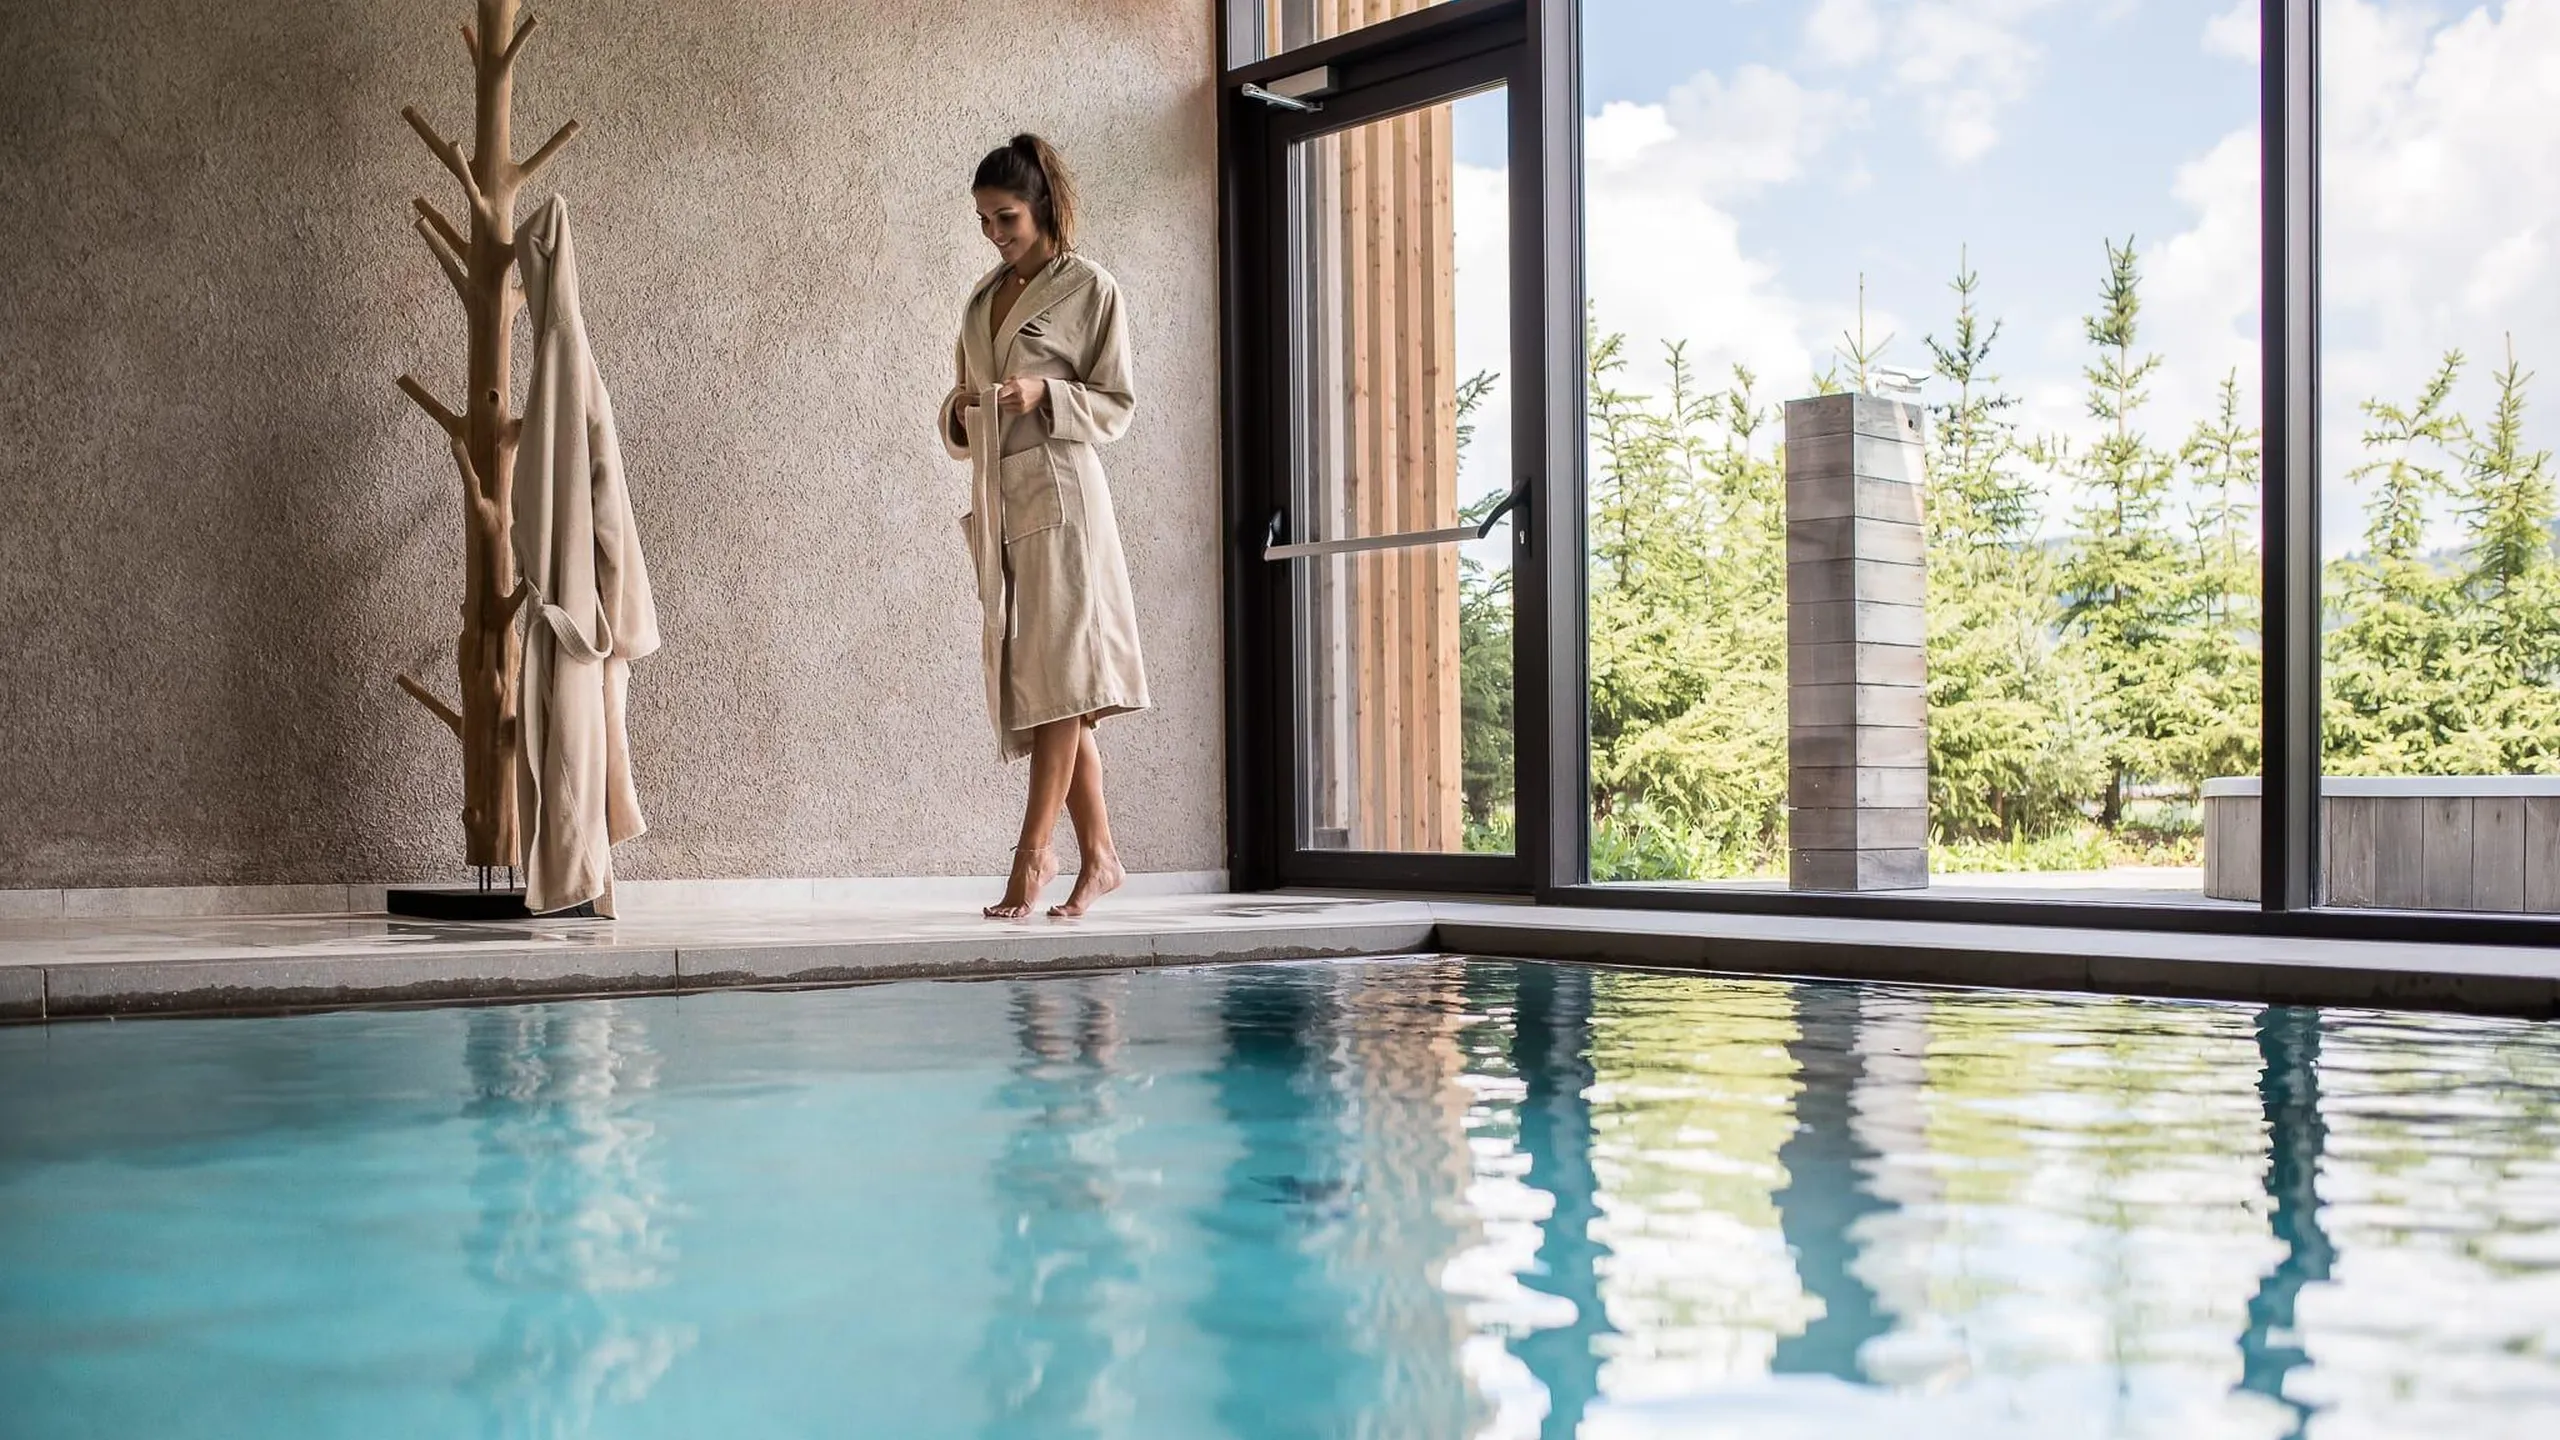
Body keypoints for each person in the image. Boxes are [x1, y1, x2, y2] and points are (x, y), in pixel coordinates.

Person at [939, 134, 1151, 919]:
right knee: (1047, 681)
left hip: (1064, 500)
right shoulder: (982, 297)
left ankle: (1034, 859)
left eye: (1008, 220)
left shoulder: (1090, 290)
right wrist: (961, 412)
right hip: (1004, 503)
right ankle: (1101, 857)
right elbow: (959, 393)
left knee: (1059, 687)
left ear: (1045, 209)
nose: (995, 235)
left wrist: (1046, 397)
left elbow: (1117, 405)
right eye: (986, 222)